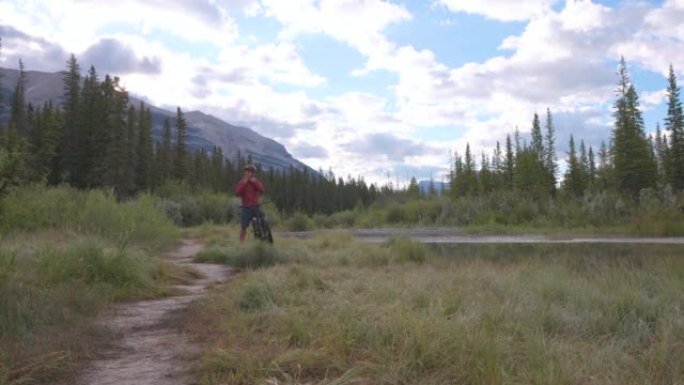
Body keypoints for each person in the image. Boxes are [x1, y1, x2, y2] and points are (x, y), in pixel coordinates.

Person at [235, 164, 266, 243]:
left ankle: (261, 241)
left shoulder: (255, 181)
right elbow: (237, 193)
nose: (248, 173)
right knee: (243, 227)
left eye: (249, 172)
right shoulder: (241, 182)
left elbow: (262, 190)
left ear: (252, 173)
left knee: (261, 224)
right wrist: (244, 183)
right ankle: (241, 244)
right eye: (246, 172)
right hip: (245, 208)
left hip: (255, 207)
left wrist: (254, 182)